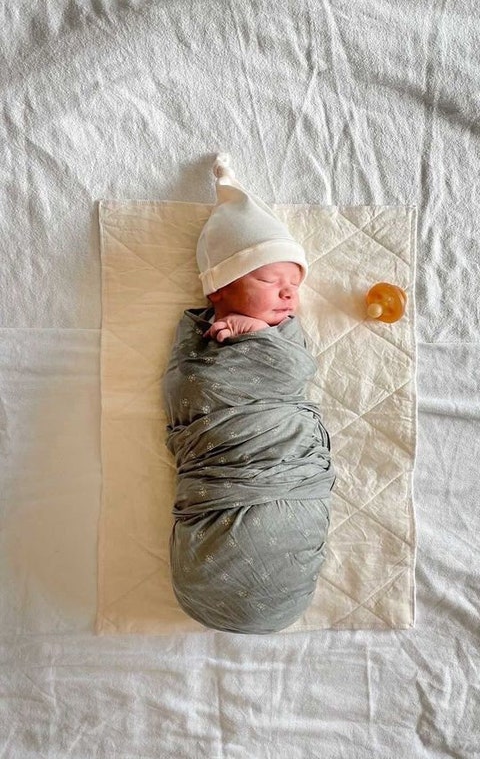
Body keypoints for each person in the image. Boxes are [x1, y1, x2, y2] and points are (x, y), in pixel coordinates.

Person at [162, 154, 335, 634]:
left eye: (294, 284)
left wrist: (256, 333)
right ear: (218, 288)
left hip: (283, 473)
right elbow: (185, 388)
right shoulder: (193, 339)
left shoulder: (285, 336)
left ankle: (278, 581)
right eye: (269, 280)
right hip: (217, 473)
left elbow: (295, 373)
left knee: (280, 530)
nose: (288, 294)